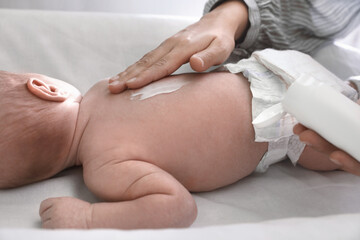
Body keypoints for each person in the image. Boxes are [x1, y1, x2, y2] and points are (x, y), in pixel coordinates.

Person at [0, 60, 352, 229]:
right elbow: (178, 209)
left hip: (280, 99)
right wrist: (90, 218)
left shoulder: (104, 165)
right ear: (46, 87)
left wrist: (88, 216)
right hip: (281, 101)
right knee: (343, 136)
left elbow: (177, 208)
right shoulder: (105, 97)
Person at [107, 0, 360, 175]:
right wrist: (232, 14)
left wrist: (85, 218)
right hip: (279, 75)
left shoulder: (104, 156)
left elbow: (173, 207)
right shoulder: (105, 161)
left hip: (299, 113)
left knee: (331, 147)